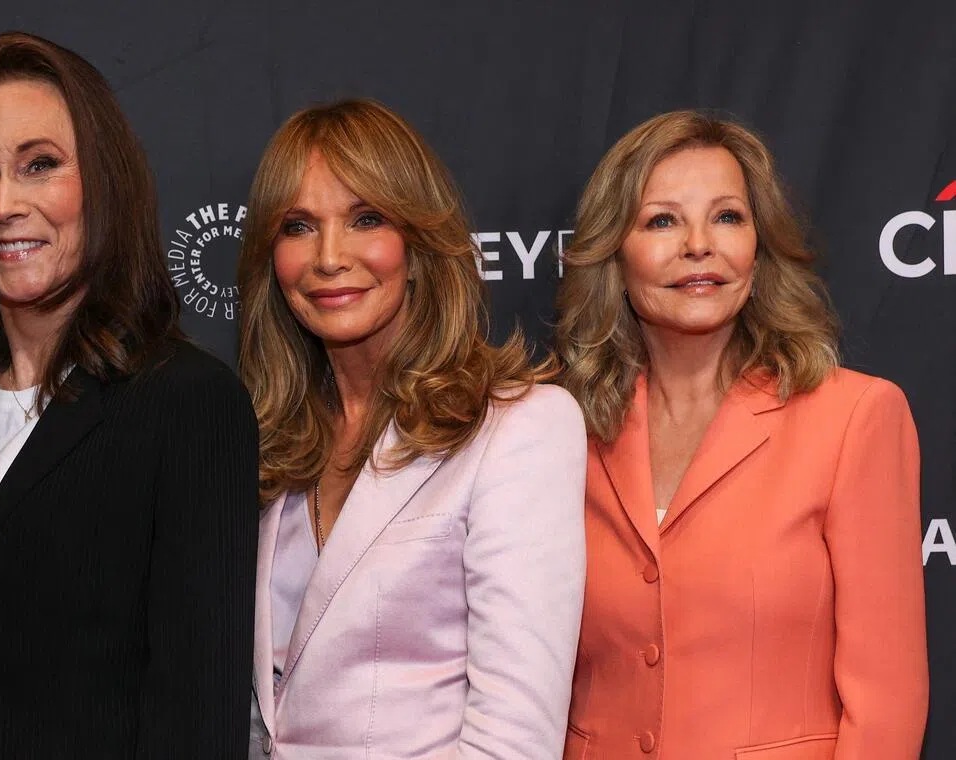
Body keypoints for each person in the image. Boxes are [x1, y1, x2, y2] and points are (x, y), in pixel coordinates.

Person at [0, 32, 257, 759]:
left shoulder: (188, 403)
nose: (4, 205)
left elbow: (199, 713)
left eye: (39, 165)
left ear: (102, 178)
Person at [554, 110, 928, 759]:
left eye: (727, 216)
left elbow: (887, 702)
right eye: (662, 220)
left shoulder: (854, 417)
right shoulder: (562, 428)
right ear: (614, 250)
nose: (699, 244)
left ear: (760, 246)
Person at [237, 99, 587, 759]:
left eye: (365, 218)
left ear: (419, 243)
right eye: (299, 226)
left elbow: (513, 742)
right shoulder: (270, 443)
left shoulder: (522, 430)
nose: (329, 257)